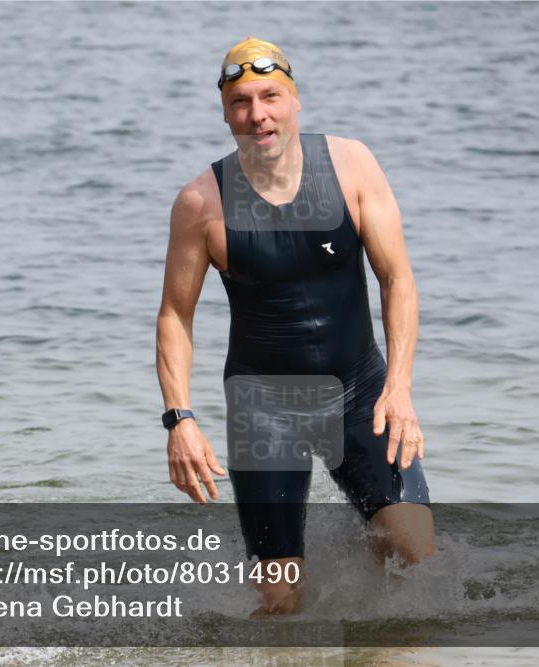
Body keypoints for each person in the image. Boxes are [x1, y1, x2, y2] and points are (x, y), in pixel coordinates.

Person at [156, 36, 435, 616]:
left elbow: (398, 280)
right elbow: (175, 316)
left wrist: (399, 387)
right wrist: (180, 419)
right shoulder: (201, 204)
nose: (257, 115)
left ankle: (374, 604)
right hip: (265, 410)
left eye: (270, 97)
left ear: (295, 100)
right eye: (240, 103)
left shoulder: (351, 165)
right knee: (281, 600)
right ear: (225, 114)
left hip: (360, 392)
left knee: (414, 553)